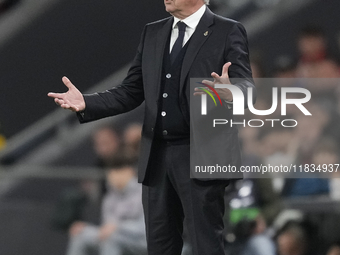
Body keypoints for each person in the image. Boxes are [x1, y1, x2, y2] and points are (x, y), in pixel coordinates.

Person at [48, 0, 255, 254]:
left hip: (202, 155)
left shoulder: (227, 30)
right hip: (156, 156)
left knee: (205, 244)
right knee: (159, 247)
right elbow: (131, 91)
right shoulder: (153, 32)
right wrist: (86, 103)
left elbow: (248, 91)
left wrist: (231, 92)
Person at [66, 153, 146, 255]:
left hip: (140, 241)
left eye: (118, 170)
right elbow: (106, 228)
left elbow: (143, 229)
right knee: (80, 235)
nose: (113, 175)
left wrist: (118, 227)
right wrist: (85, 228)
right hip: (115, 236)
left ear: (129, 171)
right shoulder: (109, 197)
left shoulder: (143, 193)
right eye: (111, 170)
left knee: (111, 239)